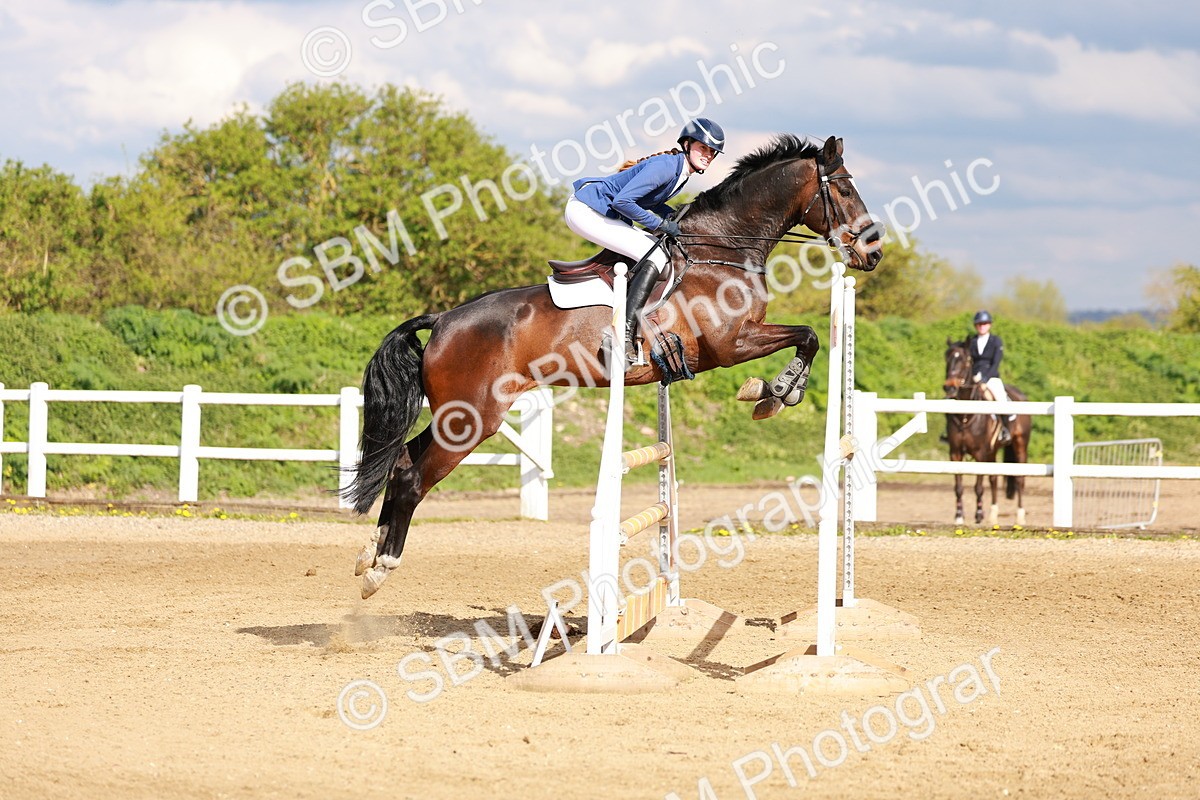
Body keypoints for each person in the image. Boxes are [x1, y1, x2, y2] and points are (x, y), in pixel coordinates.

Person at [564, 118, 725, 362]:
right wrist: (660, 224)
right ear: (687, 144)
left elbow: (651, 200)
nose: (708, 155)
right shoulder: (667, 166)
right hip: (586, 210)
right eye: (703, 148)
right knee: (656, 254)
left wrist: (671, 215)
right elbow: (623, 202)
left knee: (654, 249)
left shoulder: (681, 172)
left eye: (712, 152)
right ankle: (623, 333)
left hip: (598, 211)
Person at [968, 309, 1014, 444]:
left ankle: (1005, 429)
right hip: (974, 376)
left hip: (991, 376)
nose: (982, 326)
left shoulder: (996, 341)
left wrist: (985, 379)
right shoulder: (972, 341)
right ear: (976, 326)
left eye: (985, 323)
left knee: (1000, 398)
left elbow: (996, 362)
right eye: (979, 324)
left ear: (989, 325)